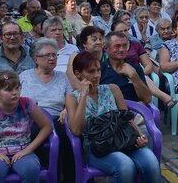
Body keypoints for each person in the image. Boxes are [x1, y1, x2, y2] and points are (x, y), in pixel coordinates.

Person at [66, 52, 161, 183]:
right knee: (125, 165)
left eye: (98, 70)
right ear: (78, 74)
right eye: (91, 71)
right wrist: (83, 95)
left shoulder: (112, 89)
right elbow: (76, 130)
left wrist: (139, 135)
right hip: (97, 148)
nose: (97, 75)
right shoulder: (72, 98)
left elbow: (127, 118)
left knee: (151, 162)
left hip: (122, 140)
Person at [0, 70, 52, 183]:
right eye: (9, 90)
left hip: (23, 152)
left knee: (30, 169)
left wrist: (29, 149)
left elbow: (47, 126)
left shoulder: (27, 103)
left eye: (17, 88)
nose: (15, 92)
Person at [19, 37, 75, 181]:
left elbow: (71, 98)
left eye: (54, 55)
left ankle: (69, 179)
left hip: (56, 118)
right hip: (30, 120)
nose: (52, 58)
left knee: (69, 137)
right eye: (47, 55)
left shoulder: (63, 77)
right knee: (33, 134)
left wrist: (67, 110)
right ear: (36, 59)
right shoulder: (24, 76)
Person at [0, 22, 36, 102]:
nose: (12, 38)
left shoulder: (32, 54)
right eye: (8, 34)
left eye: (16, 34)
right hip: (0, 105)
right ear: (0, 38)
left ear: (22, 37)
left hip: (28, 104)